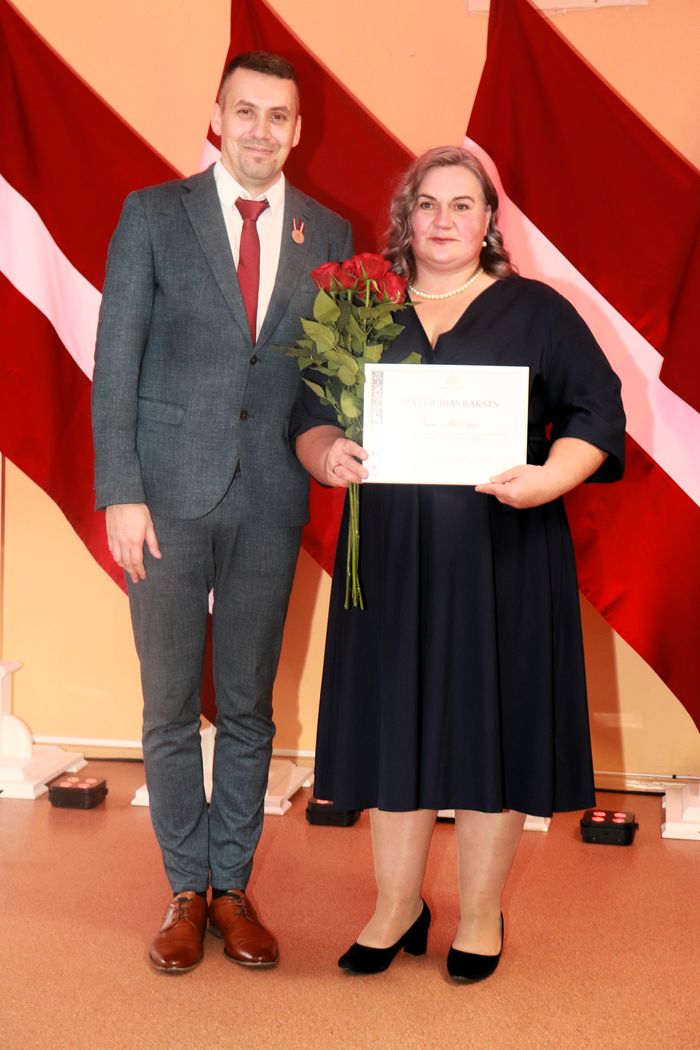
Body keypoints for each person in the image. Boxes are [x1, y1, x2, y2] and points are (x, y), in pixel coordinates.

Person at [291, 146, 625, 981]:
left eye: (463, 205)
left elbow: (598, 411)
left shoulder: (537, 310)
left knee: (493, 731)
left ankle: (479, 914)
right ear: (405, 218)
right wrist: (326, 454)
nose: (444, 220)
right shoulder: (363, 307)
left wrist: (550, 476)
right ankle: (396, 905)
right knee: (392, 726)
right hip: (389, 559)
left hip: (504, 555)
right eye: (428, 204)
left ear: (488, 222)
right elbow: (309, 413)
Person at [92, 51, 352, 974]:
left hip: (271, 500)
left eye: (278, 116)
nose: (260, 130)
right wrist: (119, 491)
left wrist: (338, 440)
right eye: (246, 111)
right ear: (217, 116)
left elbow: (320, 383)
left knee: (247, 705)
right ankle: (184, 891)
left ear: (297, 130)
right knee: (169, 705)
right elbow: (115, 363)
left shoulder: (329, 233)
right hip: (162, 499)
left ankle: (231, 888)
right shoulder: (152, 215)